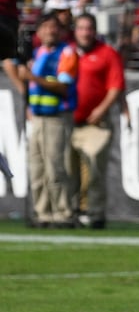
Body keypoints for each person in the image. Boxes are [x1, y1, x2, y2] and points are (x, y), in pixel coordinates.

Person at [68, 14, 124, 229]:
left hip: (96, 123)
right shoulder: (67, 52)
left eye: (89, 28)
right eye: (81, 28)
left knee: (92, 169)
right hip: (69, 121)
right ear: (75, 30)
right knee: (68, 170)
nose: (85, 32)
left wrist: (102, 109)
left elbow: (116, 85)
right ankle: (71, 210)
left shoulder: (107, 53)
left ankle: (93, 211)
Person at [26, 14, 77, 227]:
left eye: (54, 27)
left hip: (57, 117)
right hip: (37, 117)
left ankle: (63, 213)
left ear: (61, 31)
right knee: (37, 170)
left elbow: (63, 86)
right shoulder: (37, 54)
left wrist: (32, 77)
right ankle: (42, 213)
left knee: (56, 168)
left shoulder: (66, 53)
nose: (50, 31)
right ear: (38, 32)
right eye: (45, 27)